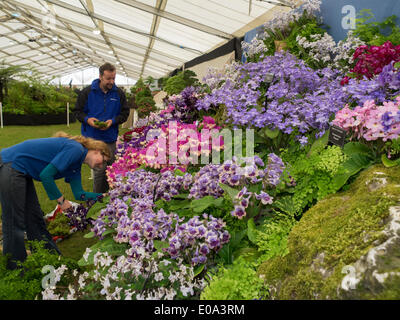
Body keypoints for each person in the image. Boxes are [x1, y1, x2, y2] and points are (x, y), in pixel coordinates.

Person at [0, 132, 111, 270]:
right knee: (14, 222)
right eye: (103, 159)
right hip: (10, 164)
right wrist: (61, 201)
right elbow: (46, 175)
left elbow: (79, 194)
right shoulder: (76, 149)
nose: (101, 166)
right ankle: (15, 269)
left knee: (34, 218)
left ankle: (49, 258)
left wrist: (106, 196)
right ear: (97, 150)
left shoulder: (76, 164)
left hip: (21, 170)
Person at [74, 62, 129, 193]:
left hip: (110, 139)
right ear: (100, 76)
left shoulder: (118, 93)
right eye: (108, 78)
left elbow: (125, 113)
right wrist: (88, 120)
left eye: (113, 78)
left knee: (112, 171)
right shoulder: (87, 92)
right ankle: (97, 200)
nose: (111, 81)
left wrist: (113, 121)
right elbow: (77, 112)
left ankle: (112, 198)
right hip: (93, 140)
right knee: (99, 171)